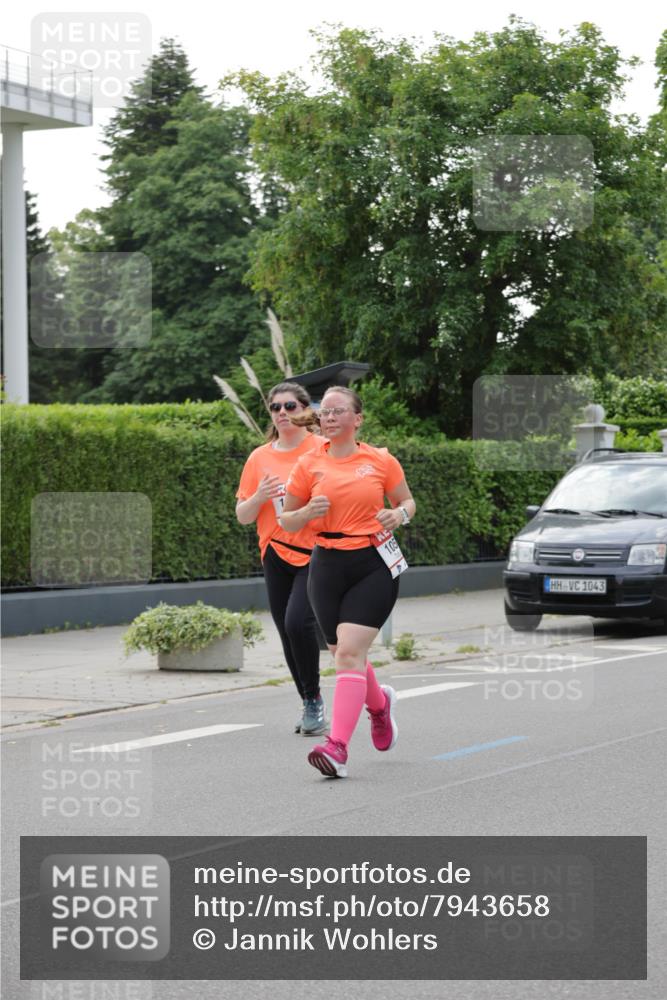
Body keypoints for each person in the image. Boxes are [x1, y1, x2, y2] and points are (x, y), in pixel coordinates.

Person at [280, 386, 416, 778]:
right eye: (326, 412)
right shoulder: (308, 464)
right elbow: (287, 520)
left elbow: (407, 501)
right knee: (344, 653)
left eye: (340, 411)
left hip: (373, 562)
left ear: (357, 419)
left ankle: (336, 747)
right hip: (325, 564)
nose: (331, 417)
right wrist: (306, 511)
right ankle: (379, 707)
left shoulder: (380, 460)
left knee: (347, 655)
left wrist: (399, 517)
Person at [236, 382, 327, 736]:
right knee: (286, 632)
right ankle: (310, 701)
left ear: (305, 410)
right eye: (276, 408)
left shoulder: (323, 450)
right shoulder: (259, 457)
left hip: (317, 550)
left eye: (290, 406)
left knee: (297, 623)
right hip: (274, 551)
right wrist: (259, 495)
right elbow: (243, 515)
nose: (283, 414)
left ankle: (320, 699)